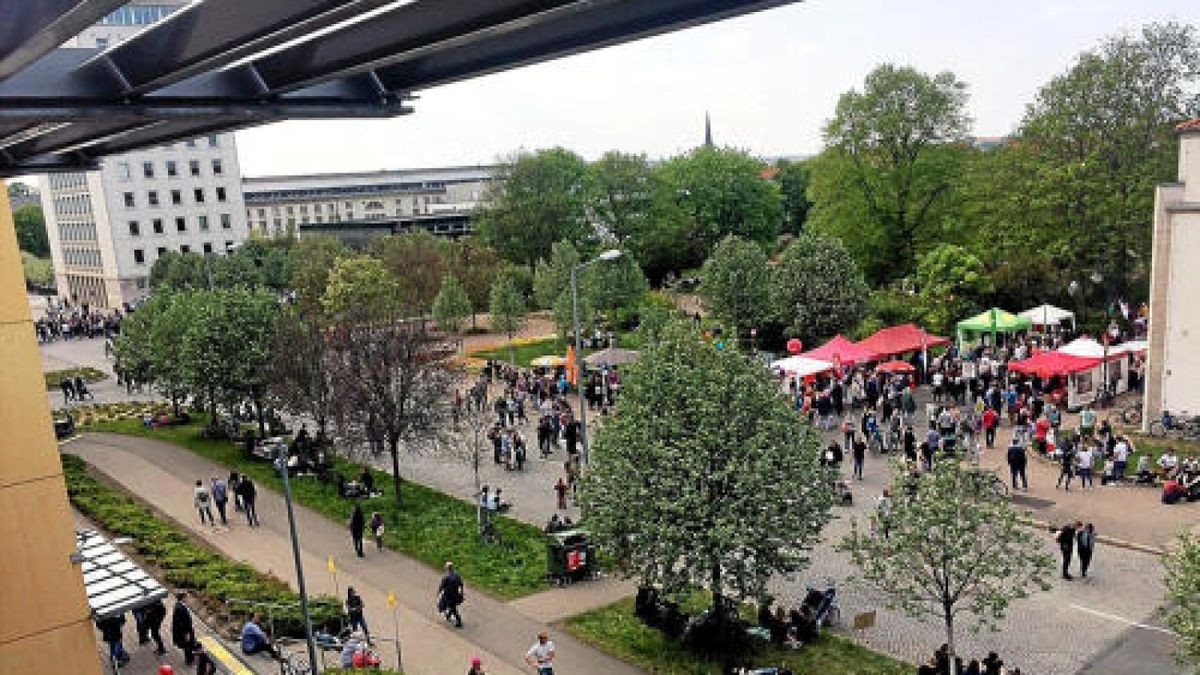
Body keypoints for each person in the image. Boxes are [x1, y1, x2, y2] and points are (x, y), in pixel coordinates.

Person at [437, 561, 465, 628]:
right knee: (452, 606)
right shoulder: (457, 575)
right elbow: (461, 584)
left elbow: (442, 586)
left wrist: (438, 592)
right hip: (455, 594)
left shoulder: (446, 577)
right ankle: (448, 615)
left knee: (444, 606)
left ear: (447, 568)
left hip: (448, 595)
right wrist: (461, 592)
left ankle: (459, 622)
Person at [172, 592, 196, 665]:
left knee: (188, 645)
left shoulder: (179, 605)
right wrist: (186, 633)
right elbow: (182, 623)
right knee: (187, 646)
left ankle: (191, 658)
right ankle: (189, 660)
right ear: (183, 598)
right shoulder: (180, 608)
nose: (188, 599)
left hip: (185, 631)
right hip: (185, 631)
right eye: (187, 597)